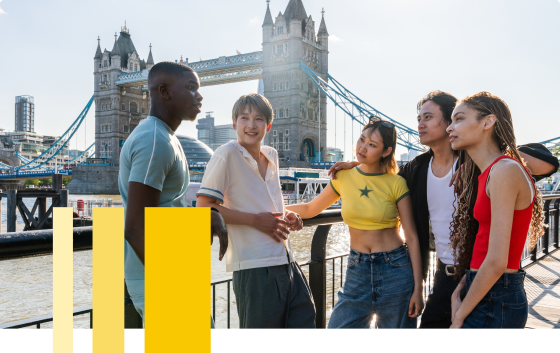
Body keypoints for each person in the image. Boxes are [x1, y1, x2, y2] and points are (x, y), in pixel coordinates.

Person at [329, 91, 558, 329]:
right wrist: (359, 163)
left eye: (428, 117)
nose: (420, 124)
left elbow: (547, 163)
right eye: (419, 118)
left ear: (449, 122)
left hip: (482, 276)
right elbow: (384, 185)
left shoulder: (478, 164)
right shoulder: (415, 169)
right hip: (443, 276)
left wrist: (481, 153)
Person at [288, 119, 424, 329]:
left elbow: (412, 237)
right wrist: (269, 210)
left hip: (395, 269)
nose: (363, 147)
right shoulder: (343, 176)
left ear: (386, 151)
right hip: (357, 268)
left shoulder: (396, 183)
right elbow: (310, 209)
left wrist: (418, 288)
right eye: (362, 139)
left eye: (372, 144)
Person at [119, 61, 228, 322]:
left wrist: (203, 217)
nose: (199, 96)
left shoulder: (164, 137)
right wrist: (175, 285)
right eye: (191, 88)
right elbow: (136, 228)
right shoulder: (154, 140)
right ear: (164, 91)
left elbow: (162, 209)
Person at [196, 94, 314, 329]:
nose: (251, 125)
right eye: (244, 118)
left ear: (268, 125)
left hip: (287, 259)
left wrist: (287, 214)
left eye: (259, 119)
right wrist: (255, 221)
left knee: (306, 319)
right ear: (234, 123)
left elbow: (264, 201)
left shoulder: (271, 154)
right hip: (254, 265)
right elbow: (204, 206)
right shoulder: (225, 153)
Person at [447, 92, 545, 329]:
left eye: (458, 119)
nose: (449, 128)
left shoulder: (504, 171)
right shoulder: (492, 171)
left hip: (495, 297)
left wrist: (458, 317)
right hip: (486, 289)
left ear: (487, 122)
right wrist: (462, 286)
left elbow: (497, 261)